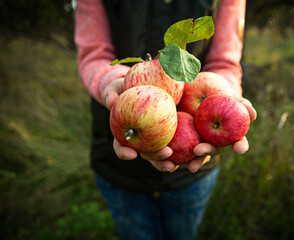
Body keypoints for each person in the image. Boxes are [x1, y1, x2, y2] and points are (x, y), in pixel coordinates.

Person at [75, 0, 256, 239]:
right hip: (118, 160)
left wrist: (226, 93)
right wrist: (111, 81)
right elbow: (94, 54)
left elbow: (224, 61)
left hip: (193, 161)